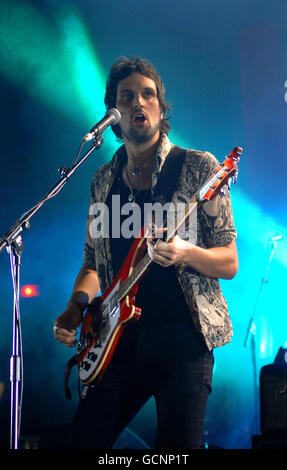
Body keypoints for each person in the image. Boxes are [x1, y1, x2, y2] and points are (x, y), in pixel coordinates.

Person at [53, 56, 238, 449]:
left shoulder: (197, 167)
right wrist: (76, 305)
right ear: (113, 114)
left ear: (160, 106)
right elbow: (92, 264)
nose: (139, 103)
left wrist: (185, 252)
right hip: (116, 340)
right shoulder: (103, 179)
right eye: (128, 97)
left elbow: (229, 261)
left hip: (183, 341)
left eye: (148, 95)